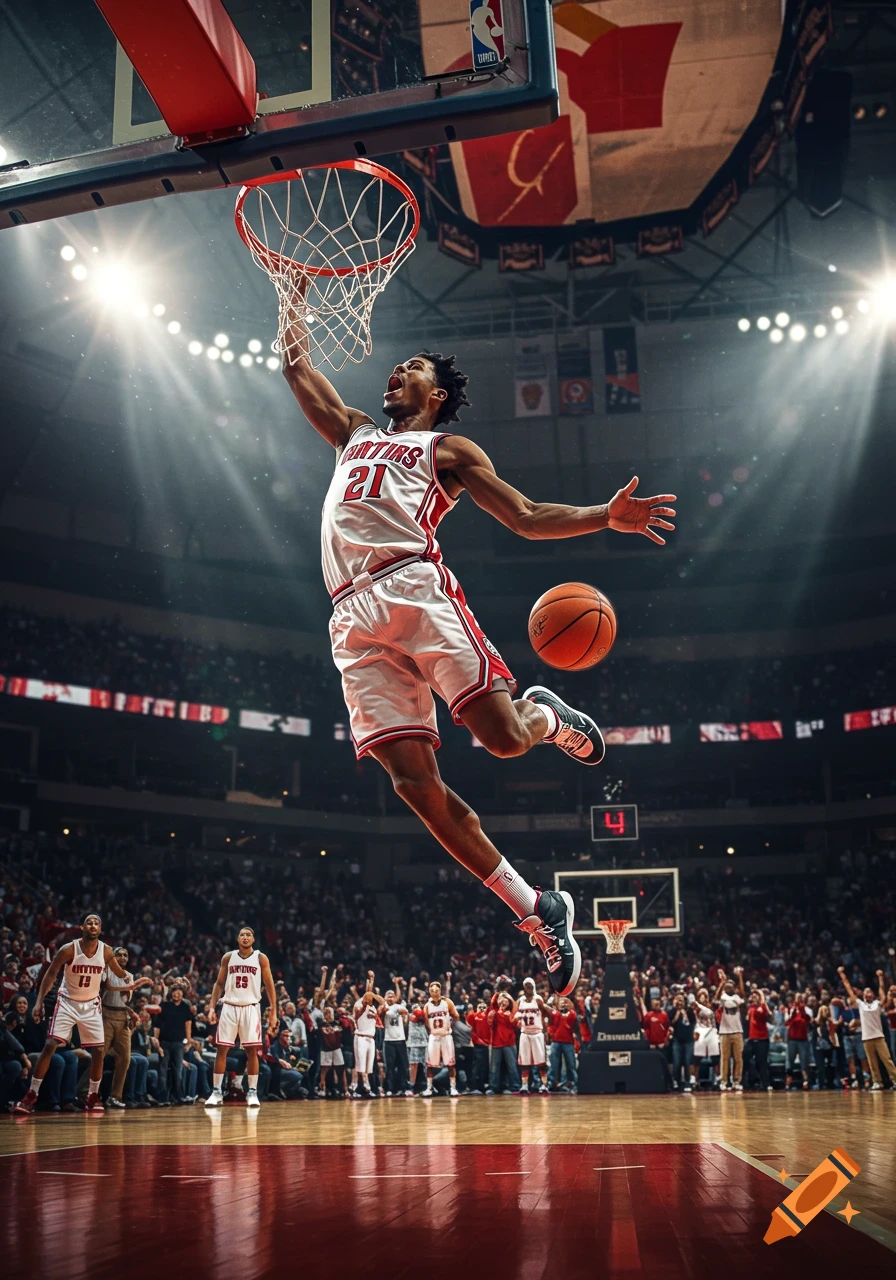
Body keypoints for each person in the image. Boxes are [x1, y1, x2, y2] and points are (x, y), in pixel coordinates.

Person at [281, 314, 676, 997]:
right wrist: (292, 304)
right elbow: (296, 371)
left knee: (503, 741)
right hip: (349, 617)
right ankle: (538, 911)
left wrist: (602, 517)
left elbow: (523, 514)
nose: (396, 372)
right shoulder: (355, 433)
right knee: (412, 786)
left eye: (412, 367)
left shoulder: (449, 452)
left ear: (436, 396)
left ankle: (547, 719)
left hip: (413, 590)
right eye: (396, 366)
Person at [14, 913, 132, 1115]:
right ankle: (31, 1094)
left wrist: (133, 980)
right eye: (89, 922)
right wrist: (39, 1002)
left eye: (96, 923)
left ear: (100, 929)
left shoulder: (106, 951)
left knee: (98, 1051)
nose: (93, 925)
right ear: (82, 927)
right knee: (51, 1044)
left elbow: (119, 973)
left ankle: (92, 1096)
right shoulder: (69, 949)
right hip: (67, 1002)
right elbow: (50, 975)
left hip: (91, 1004)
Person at [204, 927, 278, 1108]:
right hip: (229, 1006)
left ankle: (252, 1092)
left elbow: (269, 986)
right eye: (242, 935)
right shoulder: (228, 957)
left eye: (249, 935)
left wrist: (274, 1011)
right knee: (222, 1050)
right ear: (237, 938)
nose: (245, 937)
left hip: (251, 1007)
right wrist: (211, 1008)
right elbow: (219, 983)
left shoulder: (261, 958)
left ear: (253, 939)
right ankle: (216, 1092)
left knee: (252, 1051)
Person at [101, 945, 150, 1110]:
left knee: (125, 1058)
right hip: (105, 1015)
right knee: (98, 1056)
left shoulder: (129, 975)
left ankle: (115, 1097)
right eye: (119, 955)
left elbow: (123, 998)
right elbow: (106, 989)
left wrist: (131, 1010)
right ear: (113, 957)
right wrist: (131, 986)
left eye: (125, 955)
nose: (122, 958)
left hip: (122, 1016)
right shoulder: (106, 970)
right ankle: (85, 1093)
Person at [838, 966, 896, 1091]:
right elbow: (849, 990)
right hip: (866, 1037)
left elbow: (882, 991)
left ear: (872, 994)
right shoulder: (861, 1004)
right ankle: (877, 1082)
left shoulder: (877, 1004)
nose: (867, 994)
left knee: (887, 1059)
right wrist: (842, 976)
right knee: (872, 1062)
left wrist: (880, 978)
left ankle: (895, 1079)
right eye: (865, 993)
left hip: (879, 1036)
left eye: (869, 992)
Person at [422, 980, 459, 1098]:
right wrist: (431, 1031)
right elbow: (425, 1022)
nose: (434, 992)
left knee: (450, 1063)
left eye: (436, 990)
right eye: (432, 990)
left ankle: (453, 1088)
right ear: (429, 992)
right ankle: (429, 1088)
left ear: (440, 991)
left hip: (446, 1036)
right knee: (430, 1064)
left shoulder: (447, 1002)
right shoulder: (427, 1006)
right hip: (434, 1036)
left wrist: (449, 1027)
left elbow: (456, 1016)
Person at [351, 974, 385, 1098]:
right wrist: (370, 982)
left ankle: (365, 1086)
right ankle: (355, 1086)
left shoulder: (373, 1007)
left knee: (368, 1066)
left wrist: (372, 984)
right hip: (360, 1036)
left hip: (371, 1038)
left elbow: (383, 1003)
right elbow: (367, 995)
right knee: (359, 1064)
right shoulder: (359, 1006)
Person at [515, 977, 549, 1094]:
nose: (529, 988)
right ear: (524, 987)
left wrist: (546, 1032)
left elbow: (545, 1016)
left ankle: (544, 1085)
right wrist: (517, 1021)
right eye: (527, 985)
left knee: (541, 1063)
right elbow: (515, 1015)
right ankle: (524, 1086)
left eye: (530, 985)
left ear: (533, 986)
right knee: (524, 1062)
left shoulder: (538, 999)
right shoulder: (520, 1001)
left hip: (537, 1033)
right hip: (525, 1034)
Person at [714, 967, 745, 1092]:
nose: (729, 987)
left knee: (738, 1058)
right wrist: (722, 982)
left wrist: (740, 977)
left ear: (734, 987)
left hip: (737, 1031)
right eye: (727, 986)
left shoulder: (737, 997)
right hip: (724, 1032)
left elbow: (743, 994)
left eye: (731, 986)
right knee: (724, 1058)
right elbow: (715, 998)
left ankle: (736, 1081)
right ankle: (724, 1081)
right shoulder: (723, 998)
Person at [382, 980, 410, 1097]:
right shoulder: (383, 1007)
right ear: (384, 997)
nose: (390, 997)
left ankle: (404, 1088)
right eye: (388, 995)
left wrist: (395, 1008)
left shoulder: (398, 1006)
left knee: (403, 1065)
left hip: (400, 1039)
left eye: (392, 995)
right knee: (390, 1067)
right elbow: (382, 1013)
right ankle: (389, 1088)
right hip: (389, 1040)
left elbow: (405, 1011)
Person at [546, 996, 578, 1093]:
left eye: (565, 1003)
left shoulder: (572, 1014)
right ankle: (551, 1084)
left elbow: (573, 1019)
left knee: (570, 1065)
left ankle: (572, 1084)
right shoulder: (555, 1014)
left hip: (568, 1042)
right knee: (553, 1065)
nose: (563, 1004)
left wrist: (569, 1005)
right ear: (557, 1005)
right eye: (561, 1003)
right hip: (556, 1042)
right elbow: (550, 1025)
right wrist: (551, 1034)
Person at [744, 990, 772, 1092]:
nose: (754, 997)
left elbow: (768, 1014)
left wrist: (762, 996)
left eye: (756, 996)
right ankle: (749, 1082)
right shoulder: (751, 1008)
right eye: (753, 996)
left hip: (762, 1040)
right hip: (752, 1039)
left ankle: (765, 1084)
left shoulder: (761, 1008)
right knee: (746, 1059)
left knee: (762, 1063)